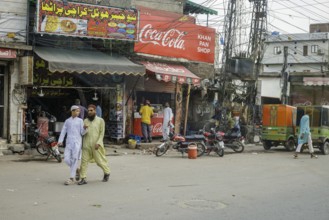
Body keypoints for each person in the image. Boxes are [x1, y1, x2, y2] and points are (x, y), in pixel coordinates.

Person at [78, 104, 110, 185]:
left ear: (95, 111)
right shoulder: (85, 121)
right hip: (86, 144)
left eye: (91, 110)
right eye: (88, 111)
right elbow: (81, 133)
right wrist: (84, 129)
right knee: (84, 162)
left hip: (96, 145)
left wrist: (98, 143)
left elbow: (101, 133)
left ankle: (107, 172)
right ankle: (83, 178)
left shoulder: (100, 121)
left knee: (99, 161)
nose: (89, 112)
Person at [58, 105, 87, 185]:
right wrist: (60, 140)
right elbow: (63, 131)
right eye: (77, 111)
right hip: (69, 142)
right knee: (67, 159)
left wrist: (85, 129)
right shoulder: (67, 121)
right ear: (72, 111)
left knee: (74, 159)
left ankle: (71, 178)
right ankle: (77, 169)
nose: (78, 112)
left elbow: (82, 133)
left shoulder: (80, 121)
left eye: (79, 111)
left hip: (77, 143)